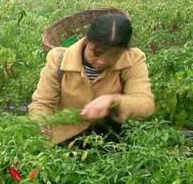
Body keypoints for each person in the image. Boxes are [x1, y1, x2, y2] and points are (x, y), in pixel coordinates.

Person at [29, 13, 155, 144]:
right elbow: (43, 102)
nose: (102, 61)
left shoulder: (132, 60)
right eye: (97, 52)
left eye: (114, 55)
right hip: (66, 140)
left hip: (111, 140)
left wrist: (114, 101)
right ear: (87, 41)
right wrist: (40, 123)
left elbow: (145, 103)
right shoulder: (58, 59)